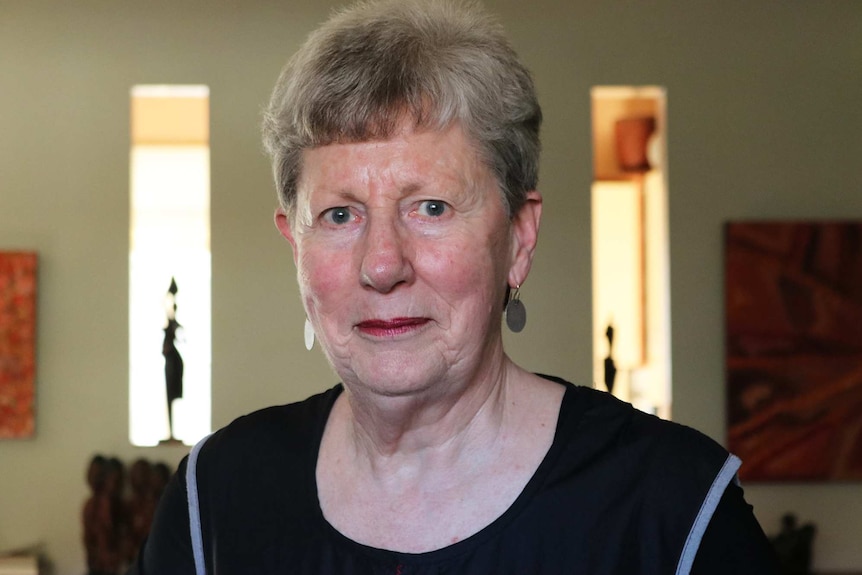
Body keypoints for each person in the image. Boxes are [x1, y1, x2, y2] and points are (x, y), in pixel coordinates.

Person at [129, 1, 778, 573]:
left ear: (519, 238)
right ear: (296, 247)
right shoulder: (213, 497)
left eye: (431, 207)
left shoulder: (673, 507)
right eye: (340, 214)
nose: (382, 264)